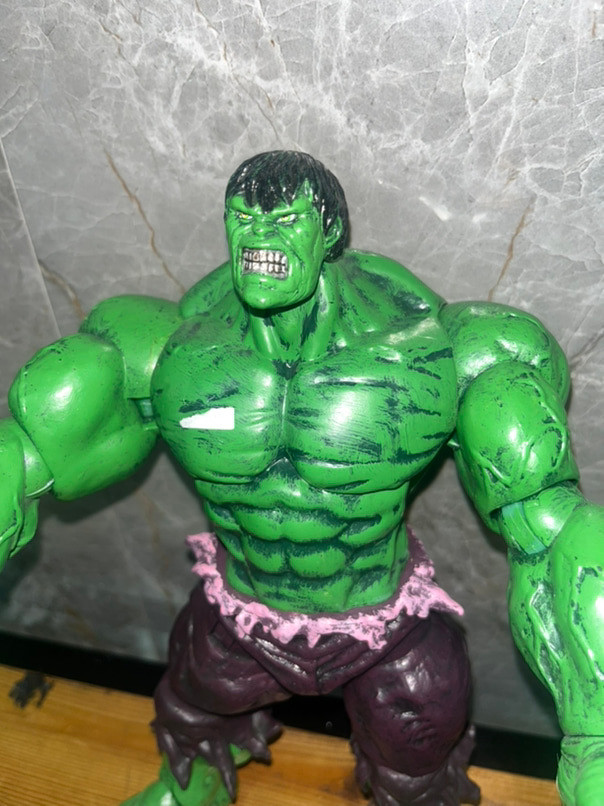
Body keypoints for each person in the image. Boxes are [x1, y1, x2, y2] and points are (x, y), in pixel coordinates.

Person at [1, 151, 602, 806]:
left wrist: (593, 733)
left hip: (383, 626)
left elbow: (550, 534)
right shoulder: (173, 351)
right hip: (239, 611)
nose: (260, 238)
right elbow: (26, 454)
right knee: (192, 708)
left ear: (330, 230)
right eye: (243, 218)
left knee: (420, 749)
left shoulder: (432, 352)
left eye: (286, 220)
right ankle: (196, 786)